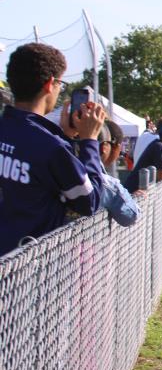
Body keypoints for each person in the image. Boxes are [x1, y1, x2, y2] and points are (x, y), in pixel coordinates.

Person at [0, 43, 107, 255]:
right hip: (28, 263)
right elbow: (89, 201)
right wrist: (89, 141)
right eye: (60, 83)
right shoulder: (51, 146)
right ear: (50, 84)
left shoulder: (15, 130)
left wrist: (64, 136)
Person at [124, 123, 162, 193]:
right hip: (133, 192)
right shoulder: (160, 148)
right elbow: (161, 177)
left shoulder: (159, 145)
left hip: (137, 190)